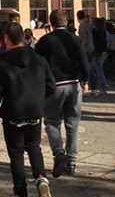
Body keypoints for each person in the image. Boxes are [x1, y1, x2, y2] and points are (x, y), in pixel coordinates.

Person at [0, 22, 56, 197]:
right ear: (24, 37)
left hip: (13, 113)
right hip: (34, 112)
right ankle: (41, 179)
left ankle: (21, 196)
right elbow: (51, 86)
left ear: (6, 38)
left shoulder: (3, 62)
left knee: (16, 155)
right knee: (34, 147)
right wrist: (38, 98)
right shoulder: (39, 59)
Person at [34, 9, 89, 178]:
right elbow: (84, 62)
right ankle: (71, 162)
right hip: (73, 83)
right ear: (66, 21)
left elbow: (37, 64)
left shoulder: (44, 41)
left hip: (53, 85)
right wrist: (85, 80)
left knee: (51, 122)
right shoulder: (75, 39)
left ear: (51, 22)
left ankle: (58, 152)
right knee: (73, 124)